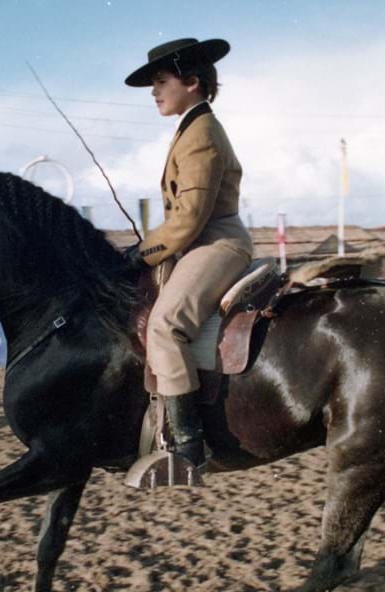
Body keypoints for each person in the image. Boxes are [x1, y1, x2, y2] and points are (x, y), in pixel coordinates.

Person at [123, 37, 254, 478]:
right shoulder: (189, 128)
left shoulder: (201, 134)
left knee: (164, 327)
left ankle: (188, 446)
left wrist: (140, 254)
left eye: (161, 82)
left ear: (193, 82)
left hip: (216, 243)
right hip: (199, 241)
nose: (155, 93)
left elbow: (190, 219)